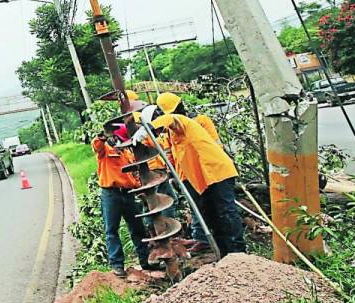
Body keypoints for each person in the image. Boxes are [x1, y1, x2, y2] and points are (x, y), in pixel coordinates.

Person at [149, 93, 246, 256]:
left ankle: (239, 251)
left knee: (226, 212)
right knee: (211, 214)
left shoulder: (186, 122)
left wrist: (150, 127)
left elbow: (172, 120)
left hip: (216, 170)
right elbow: (172, 154)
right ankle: (225, 254)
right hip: (199, 178)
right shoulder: (172, 133)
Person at [92, 131, 153, 277]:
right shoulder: (105, 149)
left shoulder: (128, 152)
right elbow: (96, 145)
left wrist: (140, 188)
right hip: (111, 193)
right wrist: (103, 136)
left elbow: (133, 175)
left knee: (137, 228)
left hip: (128, 194)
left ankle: (146, 261)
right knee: (112, 230)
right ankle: (117, 265)